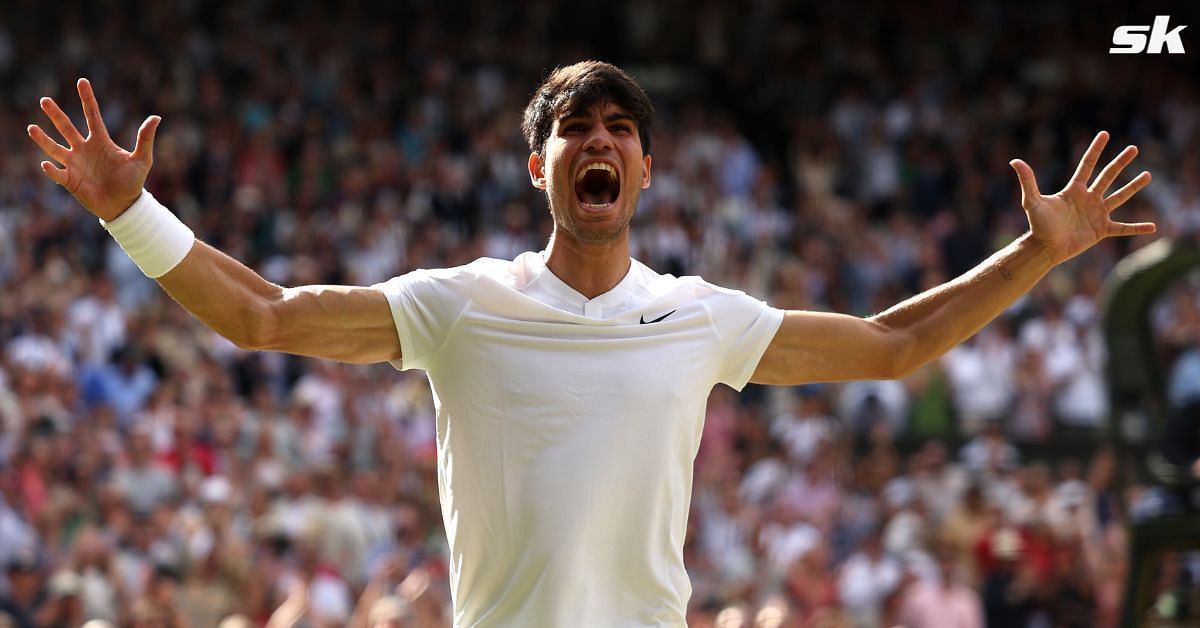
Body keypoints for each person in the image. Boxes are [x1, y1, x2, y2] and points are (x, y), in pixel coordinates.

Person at [26, 61, 1154, 625]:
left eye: (622, 128)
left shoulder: (704, 317)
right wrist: (132, 209)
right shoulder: (458, 303)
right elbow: (263, 314)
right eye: (577, 128)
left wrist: (1041, 254)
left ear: (646, 171)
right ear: (541, 167)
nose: (600, 140)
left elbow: (894, 342)